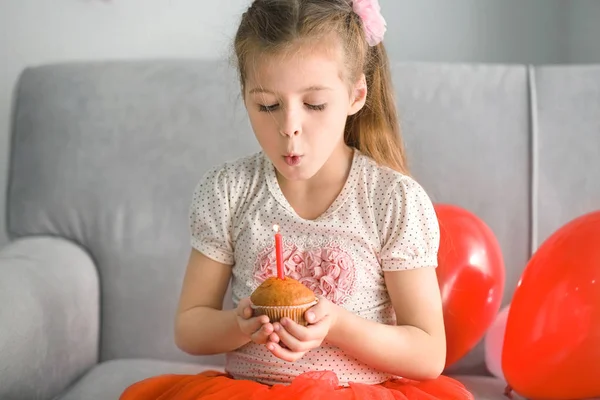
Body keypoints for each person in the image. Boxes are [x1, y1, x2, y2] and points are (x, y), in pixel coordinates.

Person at [120, 0, 474, 399]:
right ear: (245, 96)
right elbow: (189, 328)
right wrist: (240, 327)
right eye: (267, 105)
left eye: (314, 104)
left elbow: (428, 353)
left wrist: (337, 325)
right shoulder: (227, 191)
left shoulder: (392, 200)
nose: (289, 128)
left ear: (356, 95)